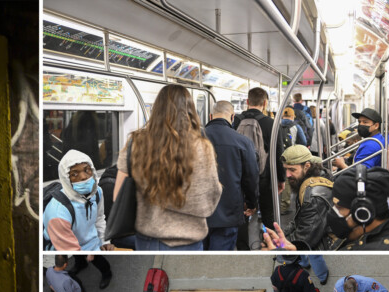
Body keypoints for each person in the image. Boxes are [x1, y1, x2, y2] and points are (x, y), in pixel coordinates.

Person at [112, 84, 221, 250]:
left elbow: (117, 195)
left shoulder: (136, 143)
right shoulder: (202, 147)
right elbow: (210, 198)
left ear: (157, 109)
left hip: (146, 239)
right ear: (190, 110)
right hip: (189, 241)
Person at [261, 166, 389, 250]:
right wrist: (295, 251)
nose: (334, 213)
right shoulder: (373, 233)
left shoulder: (382, 250)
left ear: (362, 212)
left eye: (339, 208)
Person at [203, 100, 259, 250]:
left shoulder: (193, 139)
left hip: (198, 213)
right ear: (233, 117)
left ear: (210, 116)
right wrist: (252, 202)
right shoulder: (243, 142)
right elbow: (251, 177)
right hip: (228, 213)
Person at [260, 145, 333, 253]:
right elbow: (299, 220)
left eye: (292, 170)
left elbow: (304, 239)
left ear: (307, 166)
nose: (287, 175)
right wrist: (281, 236)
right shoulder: (311, 181)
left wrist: (281, 245)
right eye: (286, 169)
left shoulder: (313, 197)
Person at [233, 87, 286, 229]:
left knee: (242, 213)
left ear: (247, 101)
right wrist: (281, 178)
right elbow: (278, 152)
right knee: (268, 214)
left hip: (240, 177)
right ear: (265, 103)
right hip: (265, 177)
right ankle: (269, 246)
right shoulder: (271, 123)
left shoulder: (236, 121)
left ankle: (243, 248)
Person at [43, 149, 115, 252]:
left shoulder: (97, 192)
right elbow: (72, 251)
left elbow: (99, 219)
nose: (83, 177)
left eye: (87, 170)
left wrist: (105, 242)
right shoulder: (58, 212)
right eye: (74, 174)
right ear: (66, 179)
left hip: (95, 246)